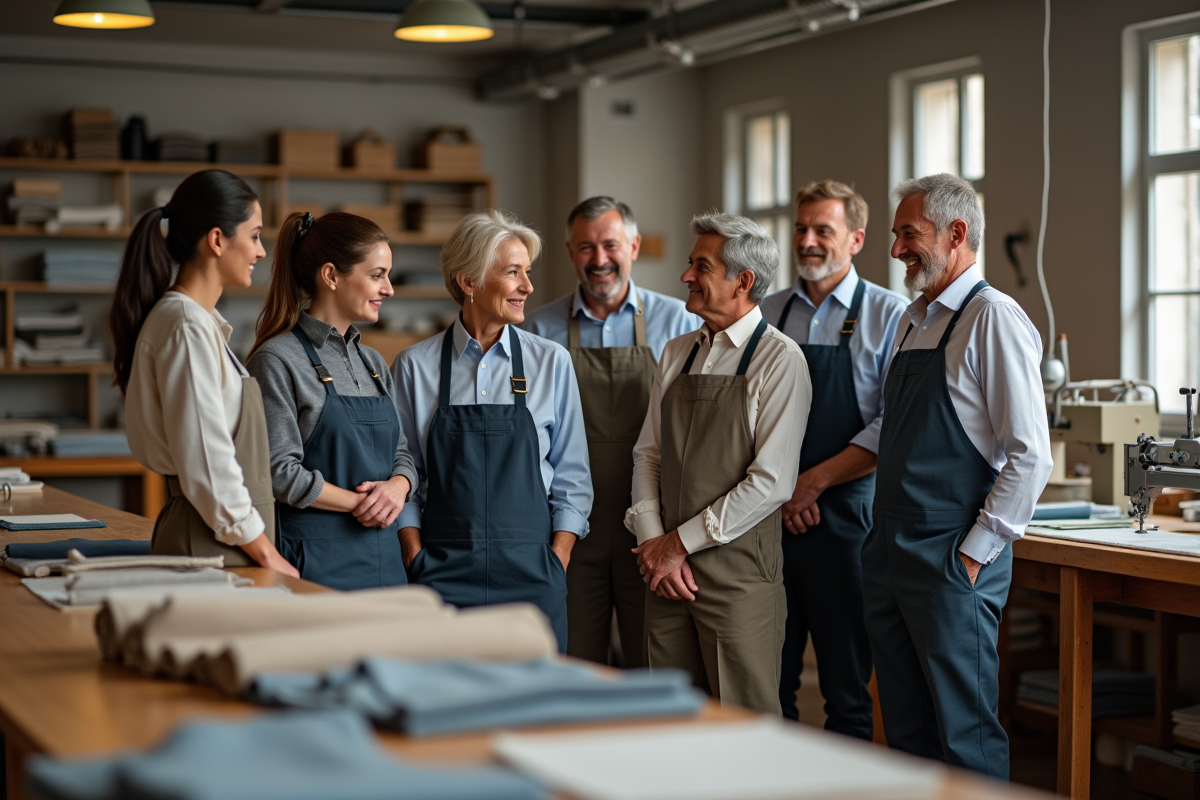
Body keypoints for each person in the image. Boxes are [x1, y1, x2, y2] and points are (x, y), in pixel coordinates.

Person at [864, 173, 1052, 777]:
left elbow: (1031, 454)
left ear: (957, 233)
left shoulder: (993, 317)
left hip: (950, 556)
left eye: (908, 235)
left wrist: (973, 555)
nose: (895, 251)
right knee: (906, 730)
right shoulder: (913, 319)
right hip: (890, 549)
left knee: (964, 735)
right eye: (894, 236)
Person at [628, 212, 810, 715]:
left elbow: (771, 484)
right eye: (690, 264)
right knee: (665, 725)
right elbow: (648, 454)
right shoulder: (676, 352)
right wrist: (651, 545)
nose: (685, 276)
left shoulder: (780, 360)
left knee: (743, 733)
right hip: (663, 575)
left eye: (700, 266)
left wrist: (675, 546)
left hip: (739, 582)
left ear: (743, 282)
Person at [391, 209, 592, 652]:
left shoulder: (551, 362)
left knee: (537, 710)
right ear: (468, 281)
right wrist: (413, 551)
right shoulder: (413, 367)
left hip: (533, 576)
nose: (528, 286)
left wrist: (557, 559)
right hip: (440, 578)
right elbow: (404, 472)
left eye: (528, 272)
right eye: (513, 273)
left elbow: (573, 475)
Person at [521, 196, 699, 668]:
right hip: (568, 528)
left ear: (634, 246)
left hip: (654, 528)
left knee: (653, 659)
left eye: (610, 245)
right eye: (586, 247)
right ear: (568, 251)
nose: (599, 259)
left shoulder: (682, 325)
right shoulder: (537, 331)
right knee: (573, 659)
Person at [759, 180, 907, 735]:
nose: (809, 241)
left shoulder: (892, 317)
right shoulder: (767, 314)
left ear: (857, 239)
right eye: (801, 229)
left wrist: (813, 483)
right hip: (768, 517)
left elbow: (892, 423)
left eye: (824, 230)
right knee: (770, 681)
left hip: (845, 522)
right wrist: (779, 492)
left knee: (847, 686)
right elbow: (744, 417)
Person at [113, 169, 296, 577]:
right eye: (254, 235)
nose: (261, 251)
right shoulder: (185, 325)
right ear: (217, 240)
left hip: (226, 537)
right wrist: (266, 553)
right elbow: (208, 458)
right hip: (210, 541)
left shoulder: (199, 322)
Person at [246, 211, 418, 591]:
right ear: (331, 276)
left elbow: (402, 453)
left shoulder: (372, 362)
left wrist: (399, 487)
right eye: (377, 275)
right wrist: (363, 505)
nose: (388, 289)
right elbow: (278, 473)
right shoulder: (276, 360)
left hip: (386, 564)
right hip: (315, 566)